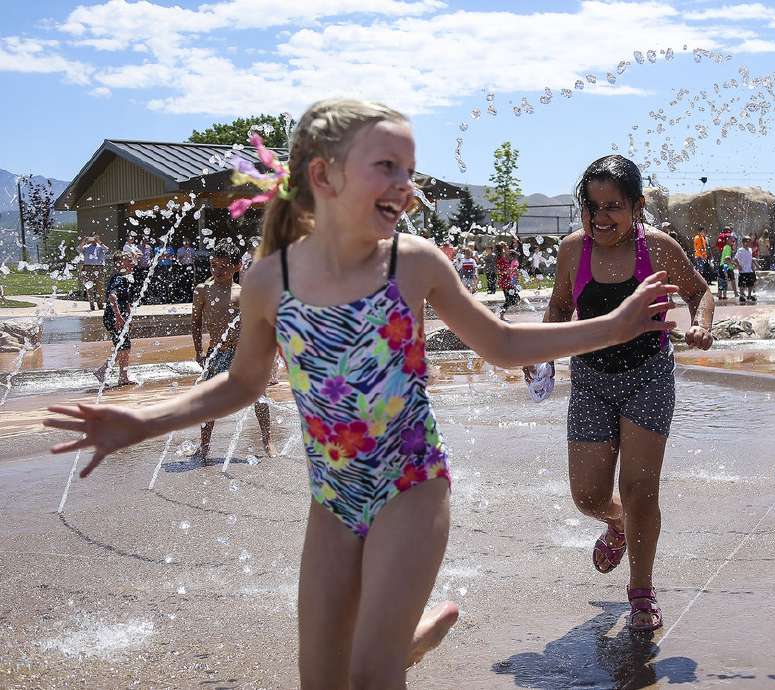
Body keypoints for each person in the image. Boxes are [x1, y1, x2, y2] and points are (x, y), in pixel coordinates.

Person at [45, 99, 679, 687]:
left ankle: (392, 647)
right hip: (333, 499)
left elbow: (504, 343)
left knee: (370, 678)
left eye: (409, 170)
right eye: (387, 167)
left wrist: (616, 324)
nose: (407, 185)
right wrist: (142, 422)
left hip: (412, 485)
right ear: (324, 176)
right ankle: (405, 640)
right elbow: (242, 383)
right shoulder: (270, 280)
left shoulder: (414, 263)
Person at [523, 154, 714, 634]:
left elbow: (700, 293)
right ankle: (618, 522)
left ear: (637, 206)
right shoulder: (573, 250)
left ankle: (641, 591)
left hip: (648, 377)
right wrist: (542, 356)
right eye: (592, 207)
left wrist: (702, 325)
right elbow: (559, 308)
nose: (601, 217)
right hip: (591, 380)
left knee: (640, 490)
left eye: (613, 207)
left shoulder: (659, 247)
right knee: (587, 496)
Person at [192, 241, 274, 460]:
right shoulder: (203, 290)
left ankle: (267, 441)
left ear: (237, 266)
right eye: (214, 265)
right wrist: (198, 351)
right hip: (217, 352)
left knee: (260, 397)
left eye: (224, 266)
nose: (217, 271)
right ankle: (204, 445)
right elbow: (196, 323)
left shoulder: (241, 293)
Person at [93, 246, 139, 386]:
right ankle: (103, 371)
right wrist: (119, 317)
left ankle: (122, 377)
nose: (132, 263)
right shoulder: (119, 279)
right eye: (129, 260)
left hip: (117, 317)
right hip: (114, 317)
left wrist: (128, 318)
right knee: (123, 347)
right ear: (121, 263)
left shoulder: (123, 277)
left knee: (124, 347)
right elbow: (112, 297)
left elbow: (125, 301)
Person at [77, 234, 109, 311]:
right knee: (89, 287)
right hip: (88, 267)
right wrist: (84, 241)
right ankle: (92, 304)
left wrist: (99, 242)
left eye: (95, 238)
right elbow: (78, 249)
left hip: (99, 268)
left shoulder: (100, 246)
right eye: (92, 238)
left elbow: (107, 249)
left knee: (100, 287)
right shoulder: (86, 247)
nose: (93, 239)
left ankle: (100, 304)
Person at [496, 242, 520, 312]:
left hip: (507, 281)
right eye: (506, 246)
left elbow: (506, 270)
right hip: (505, 282)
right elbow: (498, 271)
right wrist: (507, 272)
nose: (508, 247)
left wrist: (512, 270)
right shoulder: (500, 259)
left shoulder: (504, 258)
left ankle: (500, 312)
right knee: (514, 298)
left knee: (512, 299)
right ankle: (500, 311)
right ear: (503, 248)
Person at [734, 235, 757, 303]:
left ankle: (749, 295)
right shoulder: (740, 250)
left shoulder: (750, 250)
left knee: (750, 284)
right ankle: (741, 295)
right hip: (743, 270)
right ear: (744, 242)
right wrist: (738, 266)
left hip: (749, 270)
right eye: (749, 241)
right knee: (742, 284)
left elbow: (750, 259)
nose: (750, 243)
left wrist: (753, 267)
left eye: (750, 241)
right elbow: (735, 259)